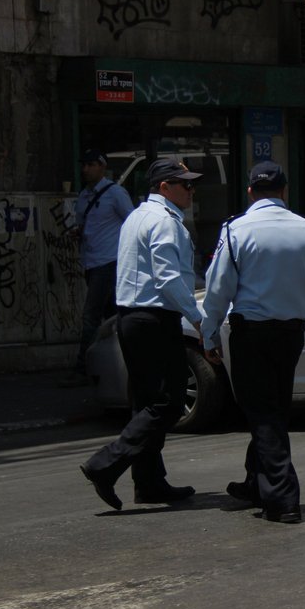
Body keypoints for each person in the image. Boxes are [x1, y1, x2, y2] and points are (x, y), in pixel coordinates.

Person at [201, 161, 305, 524]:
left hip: (251, 334)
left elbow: (218, 289)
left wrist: (209, 331)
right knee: (271, 409)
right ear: (284, 191)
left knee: (261, 412)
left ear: (250, 192)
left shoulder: (235, 230)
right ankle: (255, 484)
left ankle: (282, 499)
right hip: (290, 335)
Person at [79, 158, 204, 511]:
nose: (191, 190)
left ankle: (149, 482)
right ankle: (105, 465)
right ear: (165, 187)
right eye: (185, 184)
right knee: (167, 403)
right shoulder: (164, 222)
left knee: (148, 402)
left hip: (133, 318)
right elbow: (167, 279)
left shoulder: (137, 216)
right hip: (153, 320)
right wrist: (197, 318)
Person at [60, 149, 134, 388]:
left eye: (91, 165)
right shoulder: (83, 196)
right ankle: (119, 364)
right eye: (84, 165)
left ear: (102, 167)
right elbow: (85, 224)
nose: (86, 169)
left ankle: (82, 368)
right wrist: (78, 233)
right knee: (112, 315)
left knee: (91, 314)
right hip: (91, 261)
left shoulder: (115, 193)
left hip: (109, 262)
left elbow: (132, 223)